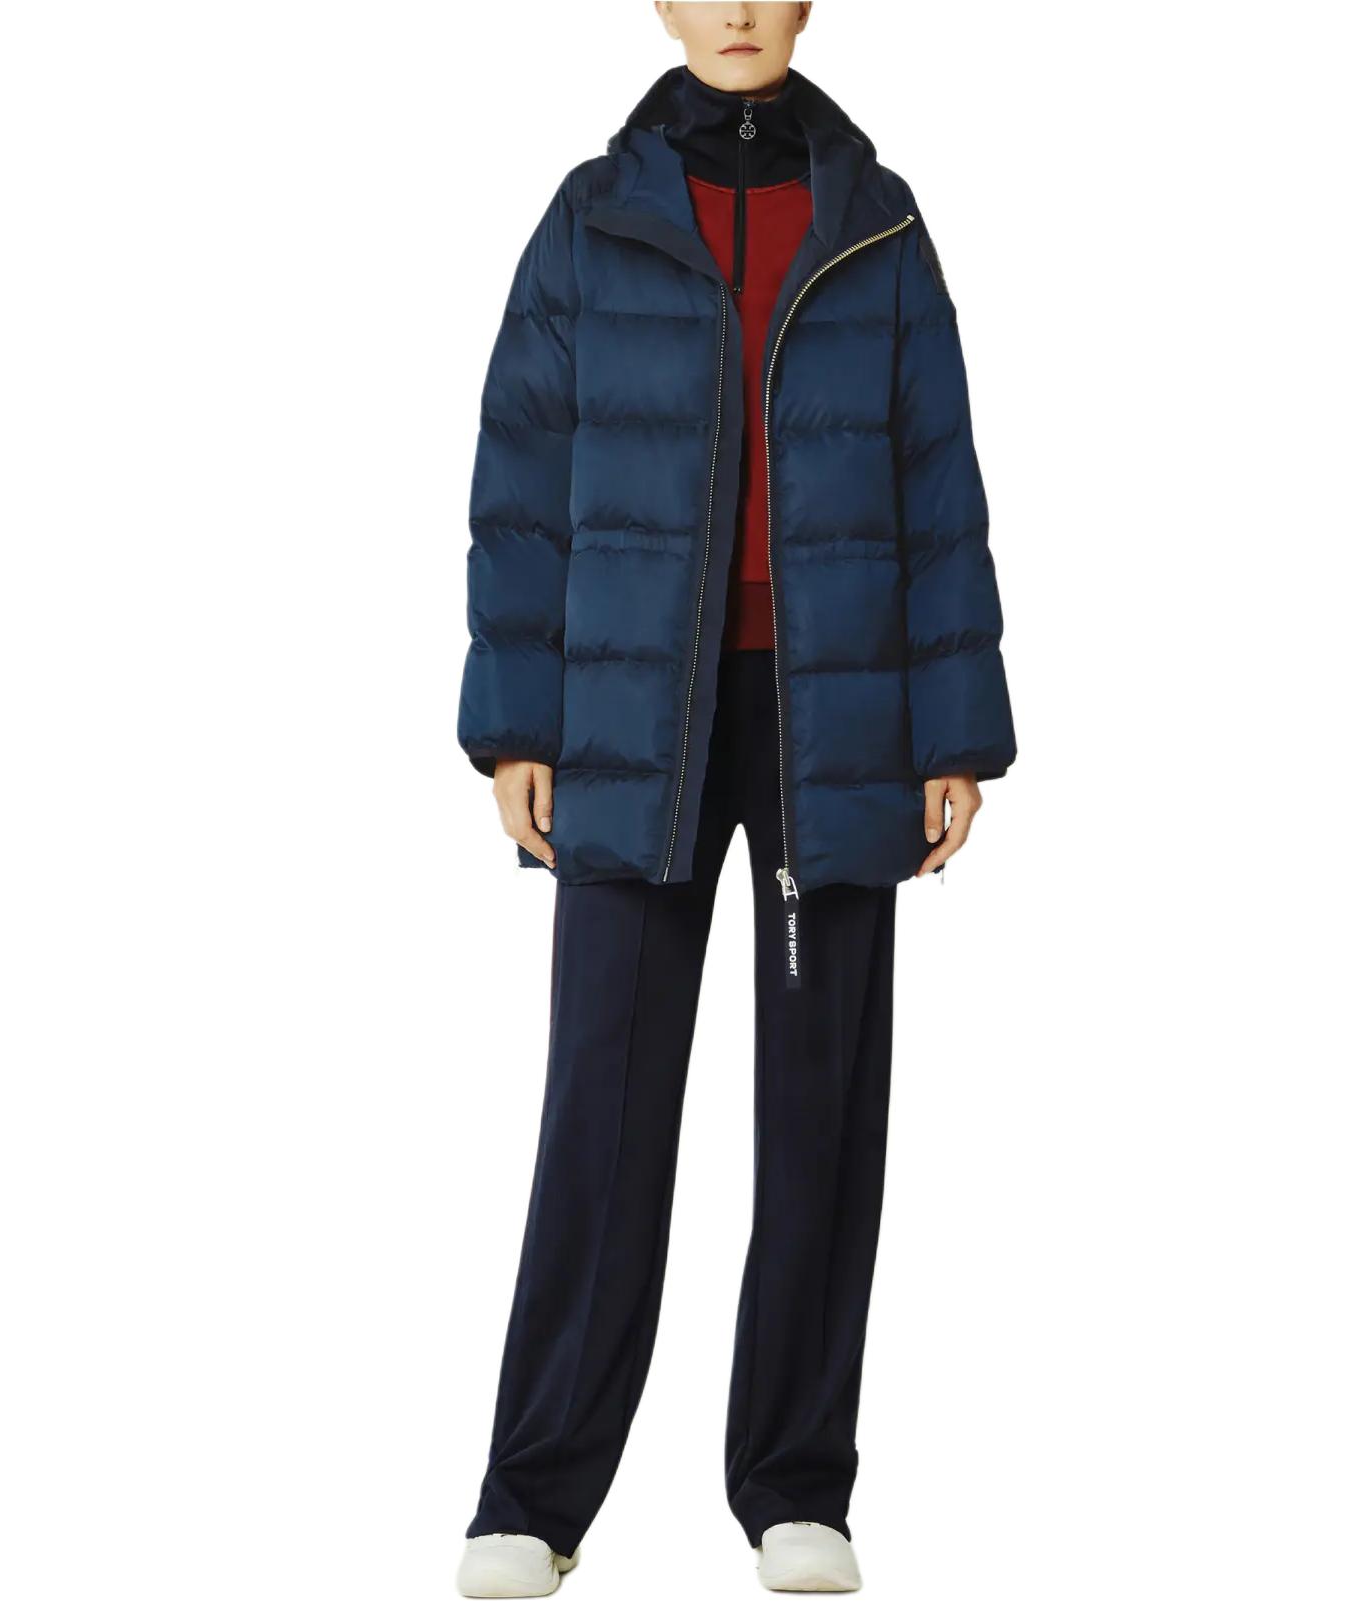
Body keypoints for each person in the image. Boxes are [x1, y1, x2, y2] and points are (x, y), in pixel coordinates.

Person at [454, 4, 1014, 1593]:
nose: (740, 9)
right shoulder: (590, 218)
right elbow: (518, 478)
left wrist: (949, 733)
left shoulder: (876, 219)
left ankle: (794, 1482)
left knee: (822, 1105)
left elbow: (937, 480)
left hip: (835, 711)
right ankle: (533, 1494)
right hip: (633, 709)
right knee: (603, 1102)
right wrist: (517, 722)